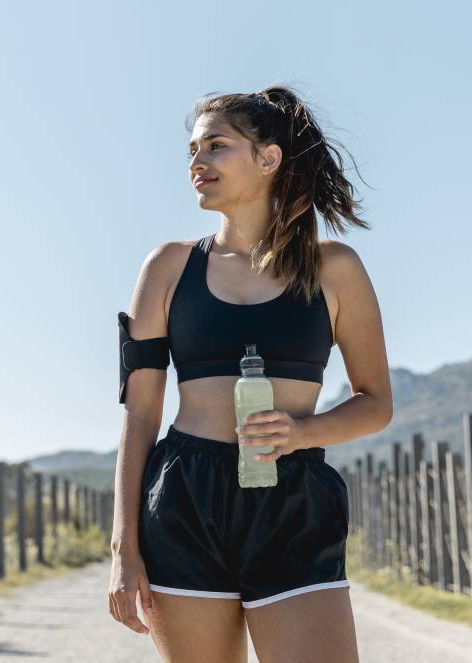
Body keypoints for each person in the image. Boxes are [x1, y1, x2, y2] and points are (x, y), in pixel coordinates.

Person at [108, 84, 393, 663]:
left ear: (269, 159)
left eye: (216, 146)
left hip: (292, 499)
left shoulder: (335, 269)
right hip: (184, 498)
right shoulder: (167, 267)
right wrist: (123, 549)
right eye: (193, 149)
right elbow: (141, 416)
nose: (197, 162)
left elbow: (375, 401)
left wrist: (302, 433)